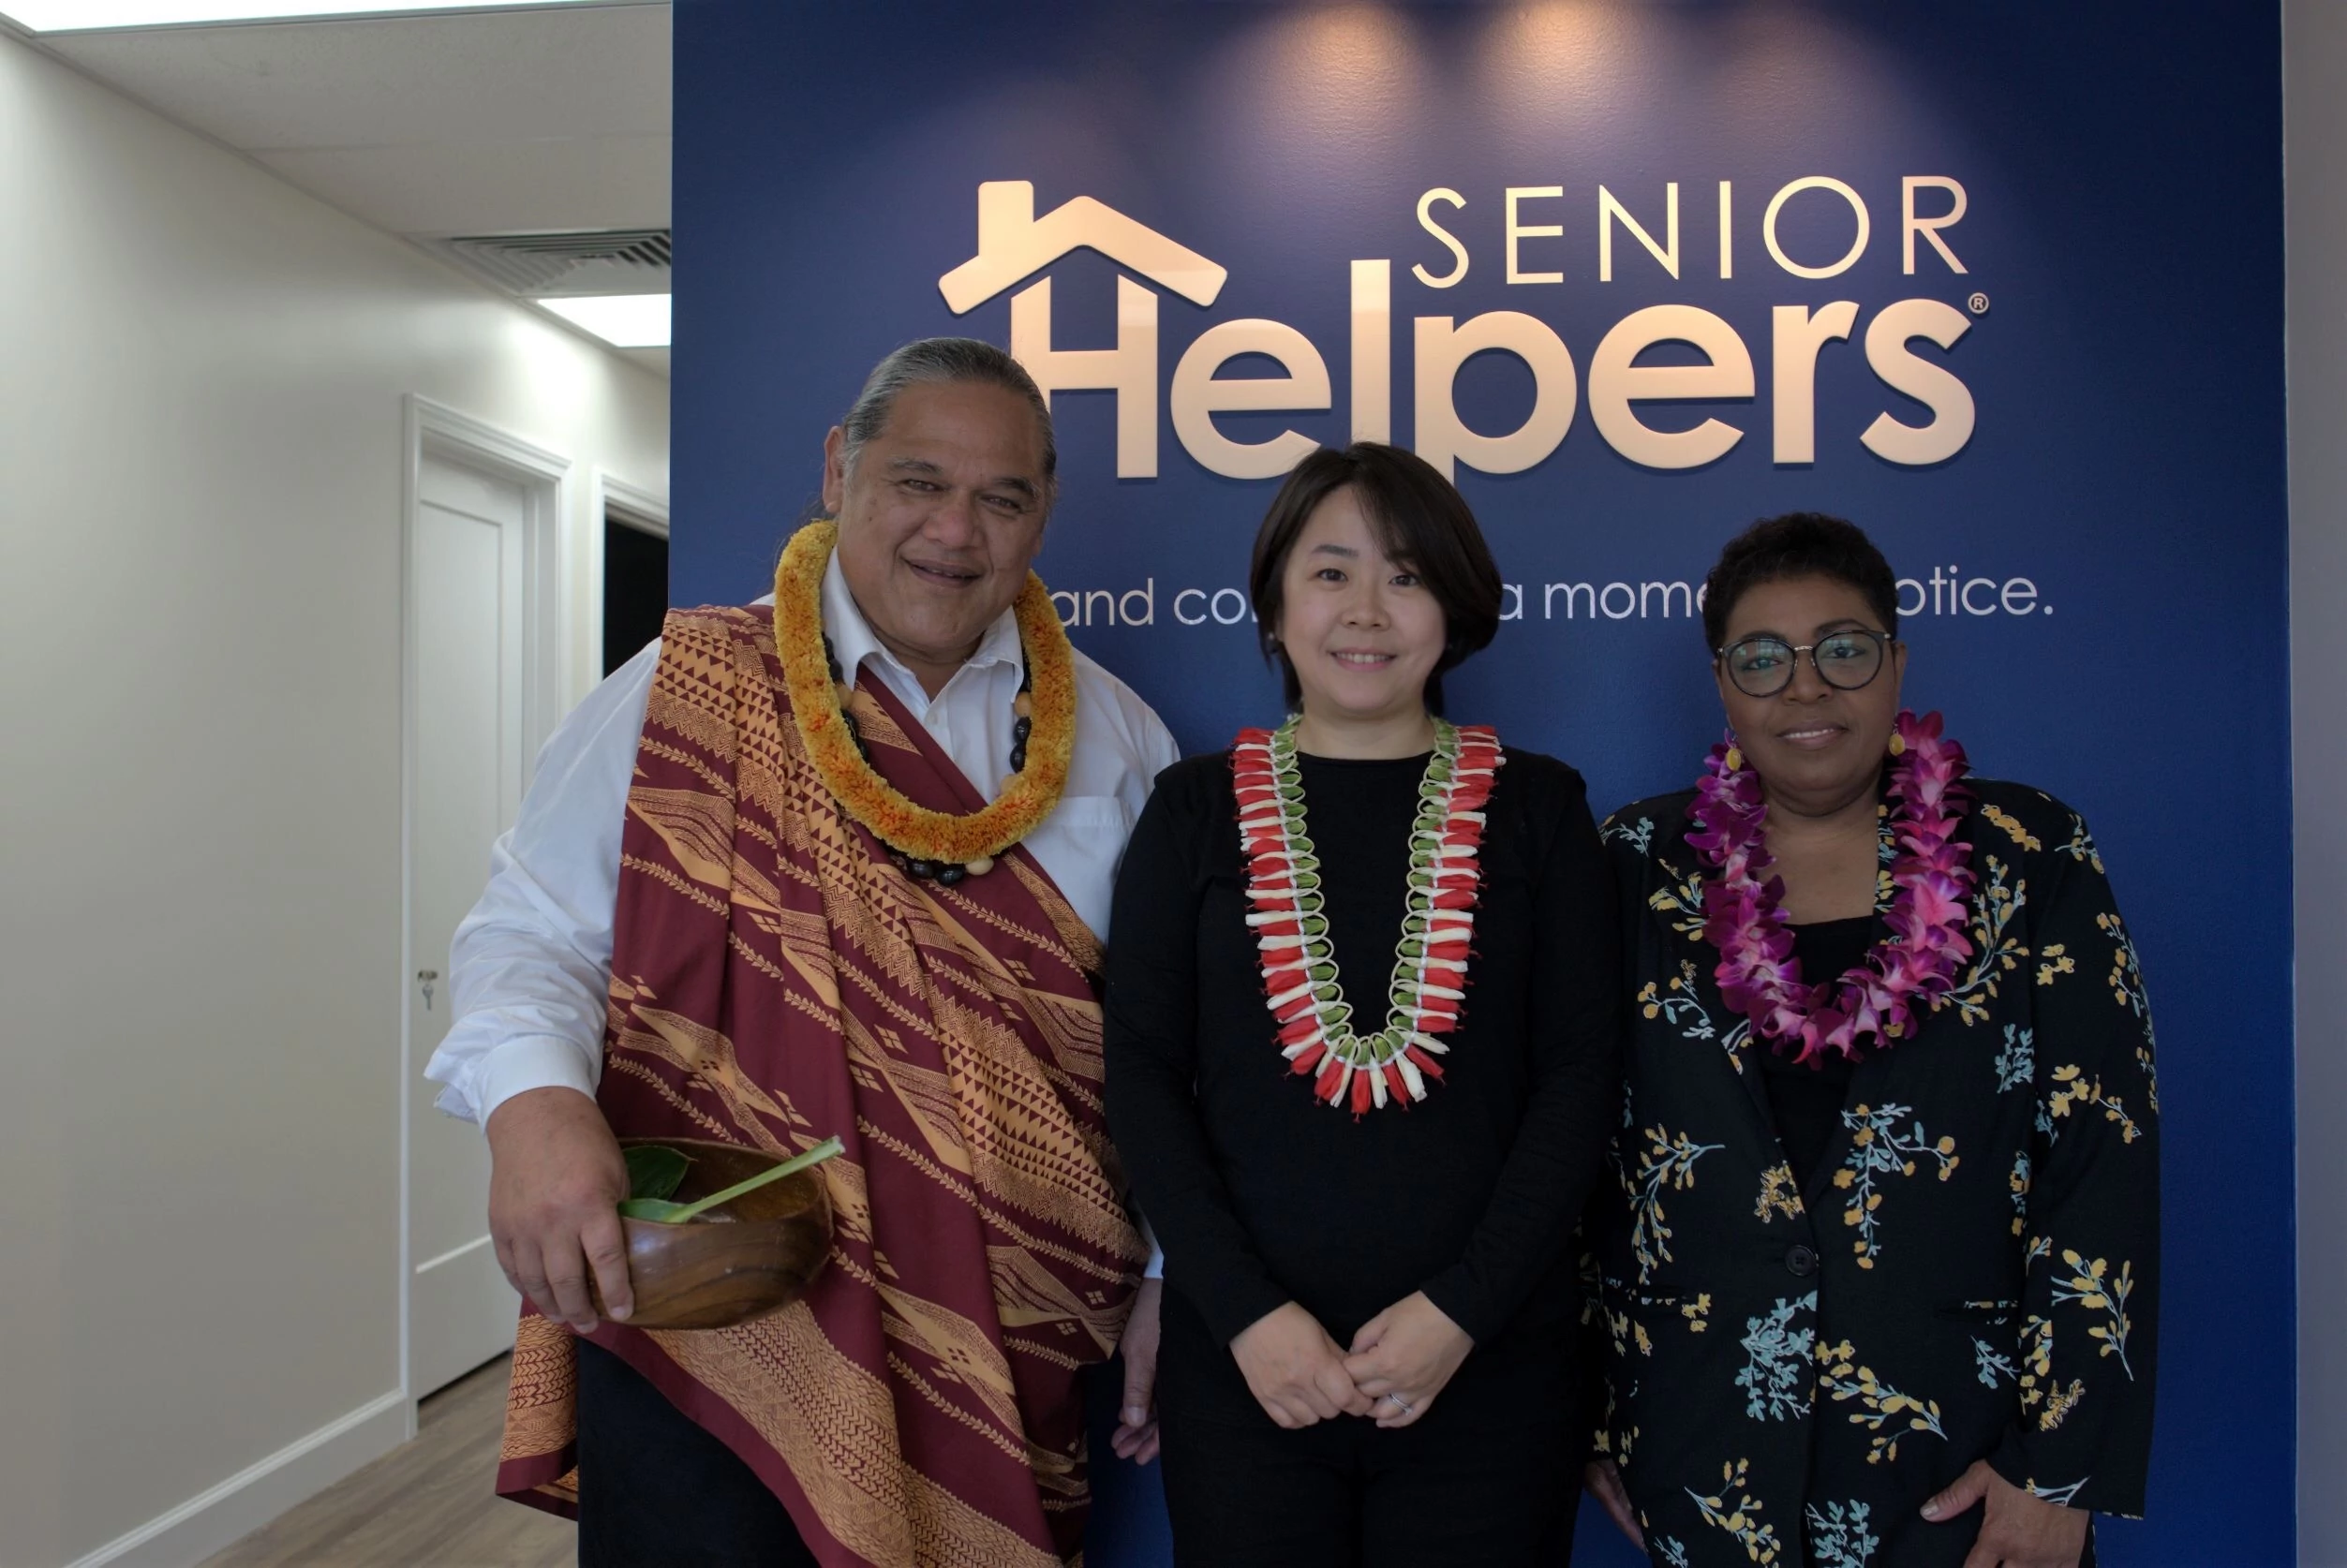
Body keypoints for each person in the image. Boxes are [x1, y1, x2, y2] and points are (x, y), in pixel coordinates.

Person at [424, 337, 1180, 1568]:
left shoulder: (1116, 736)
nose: (955, 529)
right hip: (712, 1325)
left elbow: (1169, 1038)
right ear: (839, 469)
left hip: (1003, 1339)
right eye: (917, 481)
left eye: (1002, 497)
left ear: (1045, 513)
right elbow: (532, 923)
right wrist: (533, 1106)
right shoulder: (684, 688)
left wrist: (1164, 1269)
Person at [1581, 513, 2160, 1568]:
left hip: (1968, 1463)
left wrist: (2061, 1468)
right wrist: (1594, 1409)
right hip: (1708, 1443)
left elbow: (2101, 1157)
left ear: (1896, 662)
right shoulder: (1635, 863)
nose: (1805, 688)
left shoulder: (2028, 856)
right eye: (1763, 658)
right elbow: (1573, 1144)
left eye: (1842, 649)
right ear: (1722, 683)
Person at [1103, 443, 1621, 1567]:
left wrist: (1462, 1314)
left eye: (1407, 575)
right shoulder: (1193, 808)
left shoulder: (1540, 805)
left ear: (1456, 604)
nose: (1367, 612)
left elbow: (1582, 1075)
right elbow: (1141, 1069)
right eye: (1331, 573)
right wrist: (1242, 1311)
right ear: (1277, 604)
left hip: (1488, 1369)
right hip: (1250, 1371)